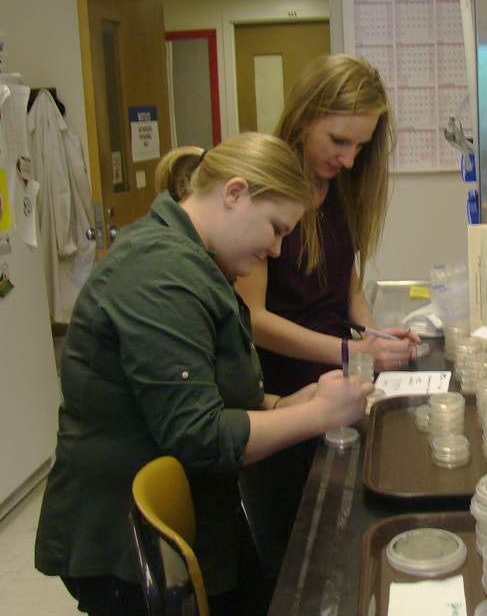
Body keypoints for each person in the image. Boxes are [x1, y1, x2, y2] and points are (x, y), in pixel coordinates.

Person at [34, 132, 373, 616]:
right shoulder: (159, 271)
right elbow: (197, 434)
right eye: (275, 228)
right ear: (234, 193)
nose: (278, 250)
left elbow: (219, 392)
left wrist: (292, 401)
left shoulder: (200, 262)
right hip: (126, 548)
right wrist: (319, 415)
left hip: (206, 521)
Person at [235, 54, 421, 581]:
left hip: (338, 389)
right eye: (339, 140)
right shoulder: (266, 188)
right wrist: (349, 351)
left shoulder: (339, 188)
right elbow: (252, 318)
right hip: (282, 397)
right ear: (302, 117)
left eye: (360, 146)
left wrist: (372, 333)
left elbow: (347, 283)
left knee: (344, 551)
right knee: (293, 564)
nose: (348, 158)